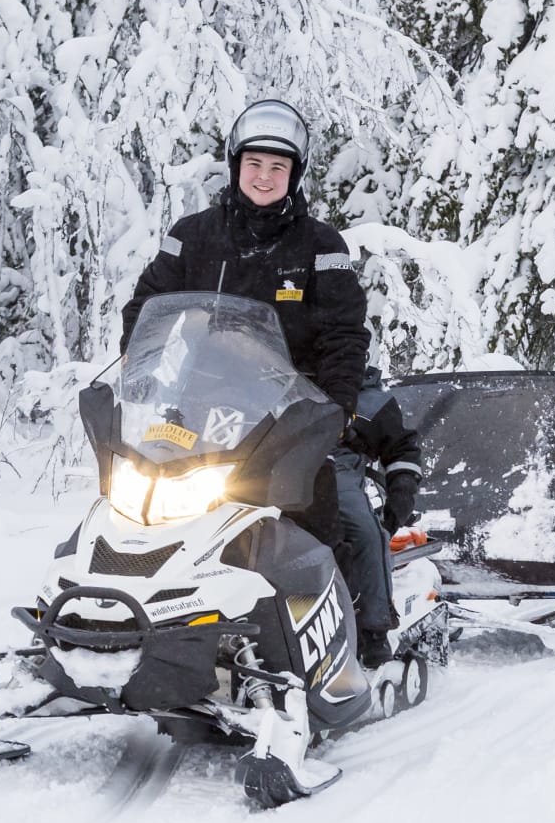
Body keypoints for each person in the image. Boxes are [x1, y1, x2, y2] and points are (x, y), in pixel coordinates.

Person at [120, 99, 385, 635]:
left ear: (295, 174)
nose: (264, 177)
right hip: (197, 402)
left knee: (341, 508)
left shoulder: (321, 245)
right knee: (141, 500)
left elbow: (344, 331)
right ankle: (139, 610)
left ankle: (366, 627)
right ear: (235, 164)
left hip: (293, 409)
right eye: (255, 164)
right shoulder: (193, 235)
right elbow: (147, 306)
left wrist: (334, 408)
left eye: (278, 167)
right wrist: (140, 367)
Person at [331, 363, 424, 665]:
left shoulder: (368, 401)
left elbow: (400, 447)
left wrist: (402, 491)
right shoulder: (263, 372)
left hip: (331, 468)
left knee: (364, 531)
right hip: (253, 464)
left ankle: (374, 629)